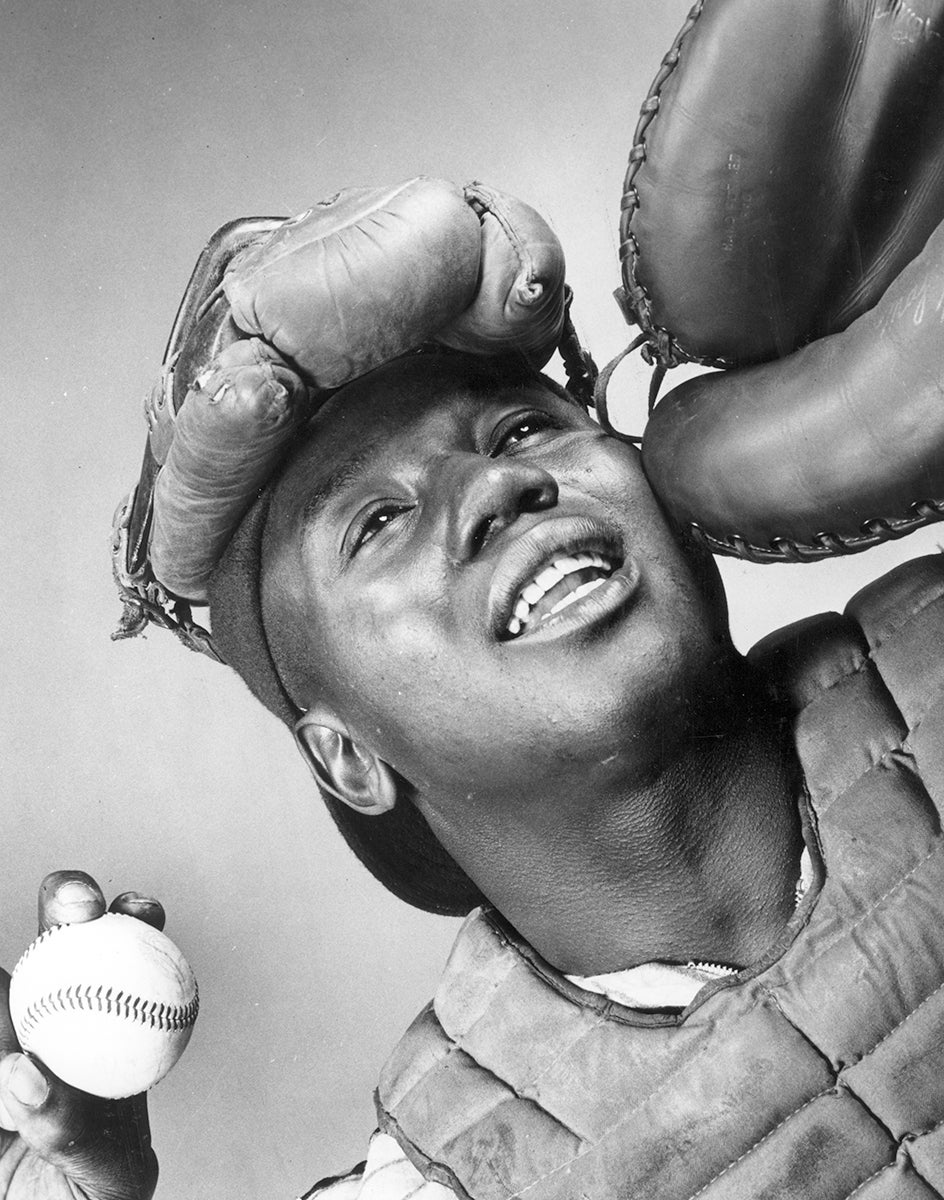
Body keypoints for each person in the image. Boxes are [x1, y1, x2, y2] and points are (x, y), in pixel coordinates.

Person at [3, 344, 944, 1199]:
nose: (497, 483)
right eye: (376, 521)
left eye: (525, 427)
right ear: (349, 759)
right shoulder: (445, 1172)